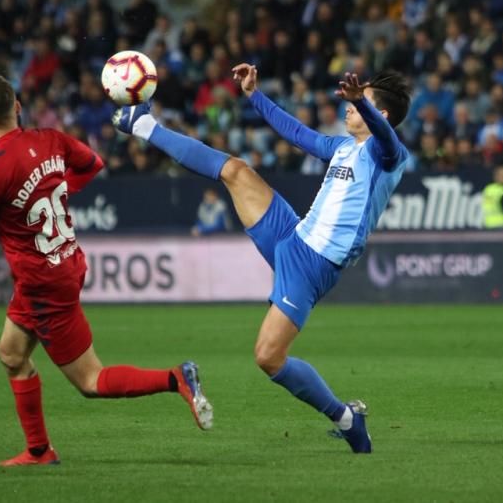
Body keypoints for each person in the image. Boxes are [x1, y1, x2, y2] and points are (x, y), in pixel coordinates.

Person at [114, 68, 411, 454]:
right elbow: (297, 134)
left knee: (268, 357)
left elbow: (385, 137)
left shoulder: (389, 155)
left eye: (362, 103)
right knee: (236, 171)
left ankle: (347, 418)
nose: (350, 108)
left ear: (381, 114)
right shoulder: (343, 147)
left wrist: (358, 101)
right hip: (293, 235)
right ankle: (145, 124)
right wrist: (255, 96)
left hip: (314, 265)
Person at [0, 74, 212, 467]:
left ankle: (175, 377)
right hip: (64, 261)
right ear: (16, 106)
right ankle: (39, 451)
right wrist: (53, 190)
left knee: (90, 381)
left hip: (42, 281)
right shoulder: (50, 139)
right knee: (11, 353)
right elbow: (92, 163)